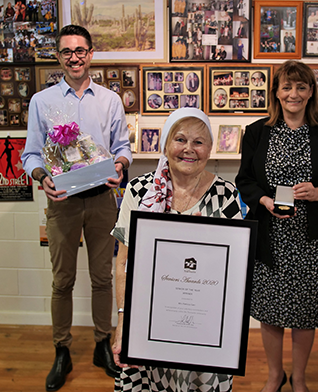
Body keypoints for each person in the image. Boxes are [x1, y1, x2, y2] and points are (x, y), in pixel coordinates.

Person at [21, 24, 132, 392]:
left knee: (102, 278)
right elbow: (31, 154)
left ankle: (102, 344)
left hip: (102, 201)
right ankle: (62, 350)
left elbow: (122, 148)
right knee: (62, 281)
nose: (74, 57)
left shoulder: (110, 100)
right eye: (67, 51)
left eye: (80, 50)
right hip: (63, 203)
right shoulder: (43, 101)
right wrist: (41, 176)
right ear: (58, 56)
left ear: (90, 54)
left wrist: (120, 166)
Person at [235, 61, 318, 392]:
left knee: (306, 310)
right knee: (270, 310)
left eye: (302, 87)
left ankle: (298, 377)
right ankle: (276, 375)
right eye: (287, 87)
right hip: (270, 235)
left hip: (312, 234)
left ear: (311, 92)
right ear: (276, 92)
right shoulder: (258, 131)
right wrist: (264, 200)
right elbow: (244, 179)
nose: (294, 94)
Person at [111, 108, 242, 392]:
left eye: (199, 141)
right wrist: (123, 321)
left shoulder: (227, 196)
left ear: (210, 148)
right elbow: (123, 263)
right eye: (180, 139)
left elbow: (234, 273)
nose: (189, 149)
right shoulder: (138, 191)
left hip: (205, 328)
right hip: (149, 322)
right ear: (166, 144)